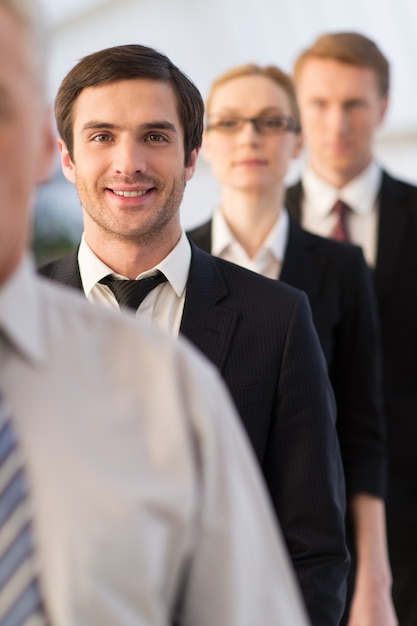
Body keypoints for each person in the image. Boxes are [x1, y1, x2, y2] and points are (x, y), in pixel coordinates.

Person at [0, 1, 315, 625]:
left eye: (155, 136)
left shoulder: (204, 369)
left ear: (192, 159)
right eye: (101, 137)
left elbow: (309, 548)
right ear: (64, 156)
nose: (128, 163)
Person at [187, 62, 394, 626]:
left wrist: (374, 577)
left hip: (312, 549)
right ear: (202, 145)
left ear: (297, 141)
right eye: (229, 123)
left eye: (270, 121)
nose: (250, 137)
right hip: (200, 547)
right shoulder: (175, 263)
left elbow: (361, 429)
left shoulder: (341, 268)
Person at [286, 31, 417, 626]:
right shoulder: (251, 231)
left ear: (384, 108)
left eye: (354, 104)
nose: (336, 122)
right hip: (289, 514)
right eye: (318, 103)